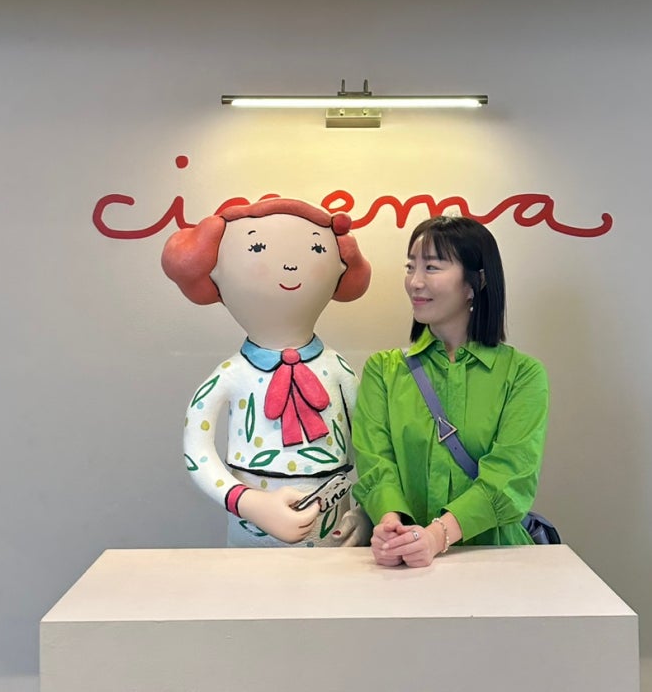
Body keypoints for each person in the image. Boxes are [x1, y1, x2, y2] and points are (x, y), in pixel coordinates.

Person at [161, 197, 372, 547]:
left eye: (316, 248)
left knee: (332, 586)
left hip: (335, 532)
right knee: (252, 585)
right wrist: (247, 502)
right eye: (257, 248)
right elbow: (197, 452)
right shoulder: (231, 374)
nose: (290, 266)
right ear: (213, 274)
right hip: (249, 536)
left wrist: (367, 509)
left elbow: (369, 444)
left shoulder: (337, 369)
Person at [352, 215, 549, 567]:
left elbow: (510, 477)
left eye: (432, 267)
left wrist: (435, 536)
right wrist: (391, 525)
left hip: (494, 561)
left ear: (475, 283)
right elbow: (376, 464)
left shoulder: (522, 374)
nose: (415, 282)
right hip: (401, 562)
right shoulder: (383, 370)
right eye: (411, 266)